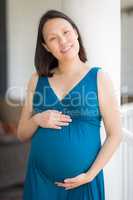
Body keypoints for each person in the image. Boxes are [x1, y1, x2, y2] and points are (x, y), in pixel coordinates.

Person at [17, 9, 123, 200]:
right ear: (46, 47)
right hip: (40, 181)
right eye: (53, 38)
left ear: (75, 32)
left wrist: (90, 175)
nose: (63, 41)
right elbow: (22, 133)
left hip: (82, 183)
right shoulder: (36, 79)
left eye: (65, 32)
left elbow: (116, 134)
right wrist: (38, 119)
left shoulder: (99, 78)